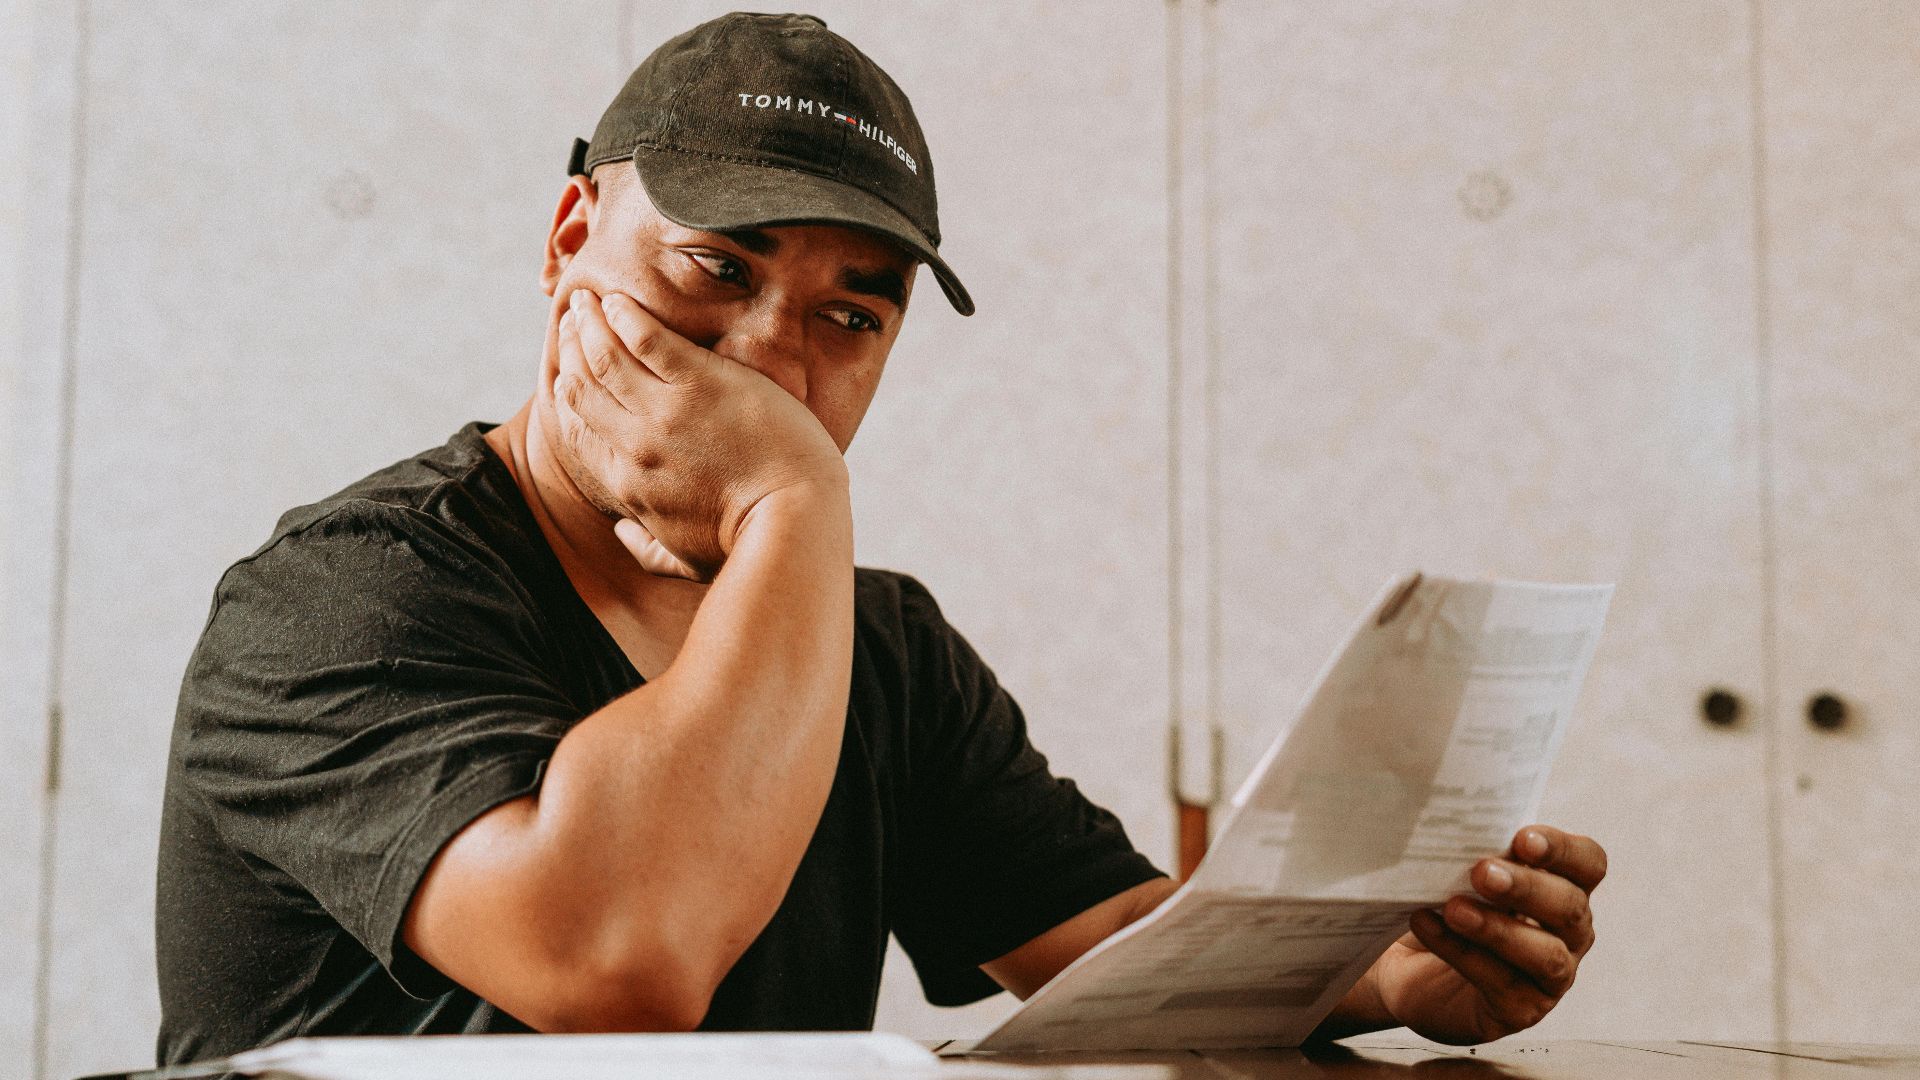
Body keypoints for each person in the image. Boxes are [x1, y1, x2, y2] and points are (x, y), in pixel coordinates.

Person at [154, 11, 1607, 1065]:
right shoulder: (345, 595)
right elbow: (611, 960)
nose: (770, 369)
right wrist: (793, 501)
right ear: (565, 241)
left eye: (851, 317)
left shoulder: (877, 646)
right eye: (715, 269)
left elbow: (1125, 961)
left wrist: (1382, 973)